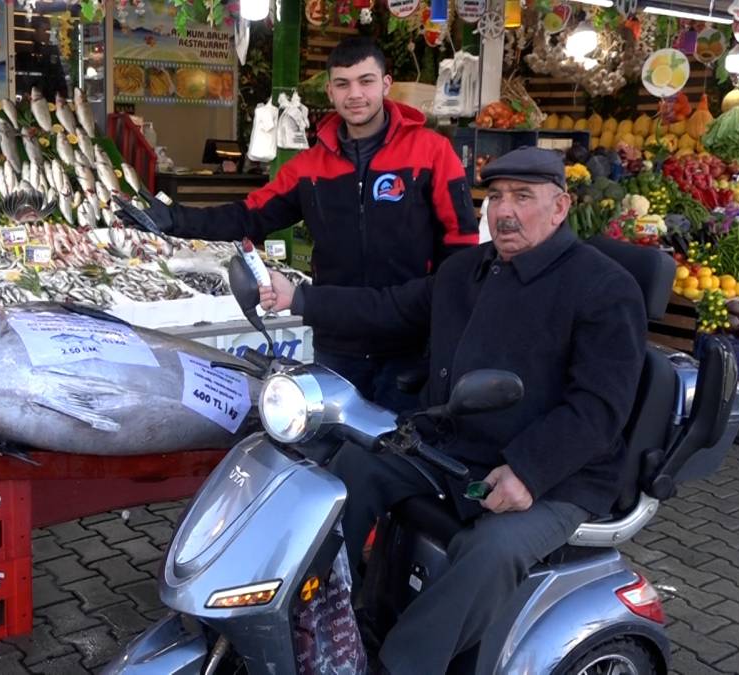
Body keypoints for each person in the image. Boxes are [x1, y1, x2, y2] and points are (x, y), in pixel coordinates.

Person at [257, 147, 648, 673]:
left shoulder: (603, 288)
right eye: (496, 197)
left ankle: (402, 664)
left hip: (557, 473)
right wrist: (301, 299)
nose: (504, 211)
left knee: (490, 553)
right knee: (353, 469)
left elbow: (600, 408)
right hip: (454, 444)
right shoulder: (467, 269)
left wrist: (530, 469)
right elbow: (391, 307)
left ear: (560, 208)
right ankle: (320, 618)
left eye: (523, 197)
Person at [121, 36, 478, 409]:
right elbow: (248, 216)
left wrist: (446, 328)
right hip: (338, 345)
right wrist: (173, 218)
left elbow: (462, 246)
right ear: (329, 90)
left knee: (405, 460)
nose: (355, 94)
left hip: (411, 346)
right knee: (333, 454)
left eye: (366, 81)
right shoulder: (309, 168)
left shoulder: (432, 152)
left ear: (386, 84)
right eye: (343, 84)